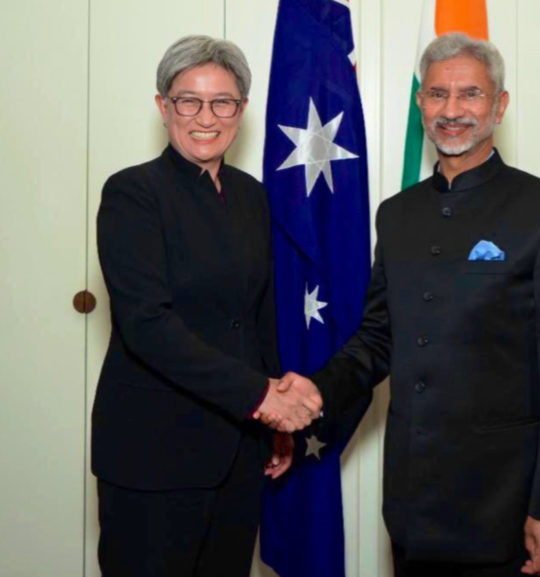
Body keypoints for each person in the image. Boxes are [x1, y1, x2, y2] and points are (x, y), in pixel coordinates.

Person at [265, 33, 540, 576]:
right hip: (414, 501)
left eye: (470, 95)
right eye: (438, 95)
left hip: (504, 503)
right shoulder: (397, 215)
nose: (453, 111)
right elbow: (377, 339)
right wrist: (318, 388)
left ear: (499, 105)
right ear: (421, 105)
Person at [91, 35, 323, 577]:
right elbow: (148, 326)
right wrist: (263, 398)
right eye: (187, 100)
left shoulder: (251, 196)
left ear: (241, 110)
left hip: (238, 452)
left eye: (222, 101)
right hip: (153, 453)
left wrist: (275, 423)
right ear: (162, 106)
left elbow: (256, 314)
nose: (205, 116)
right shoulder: (132, 193)